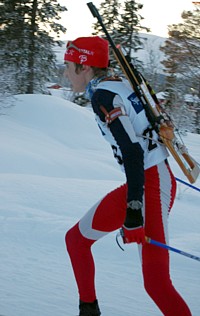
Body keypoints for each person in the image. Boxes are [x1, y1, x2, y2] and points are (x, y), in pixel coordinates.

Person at [64, 36, 191, 316]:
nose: (66, 73)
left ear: (84, 67)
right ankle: (88, 309)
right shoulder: (120, 83)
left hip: (150, 186)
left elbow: (132, 153)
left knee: (157, 284)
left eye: (69, 66)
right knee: (76, 240)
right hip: (146, 181)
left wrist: (133, 212)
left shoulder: (103, 96)